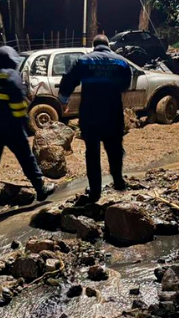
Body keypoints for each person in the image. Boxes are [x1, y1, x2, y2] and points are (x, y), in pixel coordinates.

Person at [0, 46, 55, 220]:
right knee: (26, 158)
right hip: (11, 128)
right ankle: (40, 188)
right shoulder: (10, 76)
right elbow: (19, 104)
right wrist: (22, 125)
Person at [58, 35, 133, 203]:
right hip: (113, 113)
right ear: (108, 45)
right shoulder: (121, 62)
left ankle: (95, 191)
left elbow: (68, 80)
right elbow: (126, 84)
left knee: (92, 153)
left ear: (94, 46)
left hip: (90, 114)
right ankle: (119, 182)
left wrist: (63, 101)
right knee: (114, 149)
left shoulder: (83, 61)